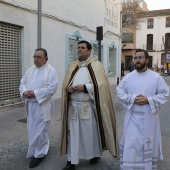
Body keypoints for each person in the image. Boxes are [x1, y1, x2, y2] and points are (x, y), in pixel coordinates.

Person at [60, 40, 118, 170]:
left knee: (90, 133)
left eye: (82, 48)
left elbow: (101, 86)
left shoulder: (96, 65)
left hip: (88, 107)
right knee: (72, 134)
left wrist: (85, 87)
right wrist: (68, 89)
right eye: (78, 47)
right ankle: (71, 161)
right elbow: (65, 84)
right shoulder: (73, 66)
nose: (79, 49)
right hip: (74, 107)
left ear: (89, 51)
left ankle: (94, 155)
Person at [116, 49, 169, 170]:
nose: (137, 60)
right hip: (132, 118)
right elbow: (119, 91)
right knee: (132, 144)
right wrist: (133, 99)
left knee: (148, 144)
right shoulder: (128, 77)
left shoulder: (156, 77)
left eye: (140, 57)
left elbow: (165, 93)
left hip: (149, 117)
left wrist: (149, 100)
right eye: (135, 58)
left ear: (146, 60)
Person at [19, 48, 58, 168]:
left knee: (41, 130)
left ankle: (39, 155)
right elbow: (22, 82)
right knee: (32, 128)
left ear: (45, 59)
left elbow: (52, 88)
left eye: (38, 57)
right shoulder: (30, 69)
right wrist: (24, 91)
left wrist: (35, 93)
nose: (36, 59)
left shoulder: (50, 71)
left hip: (42, 105)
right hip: (31, 105)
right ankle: (36, 148)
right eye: (34, 57)